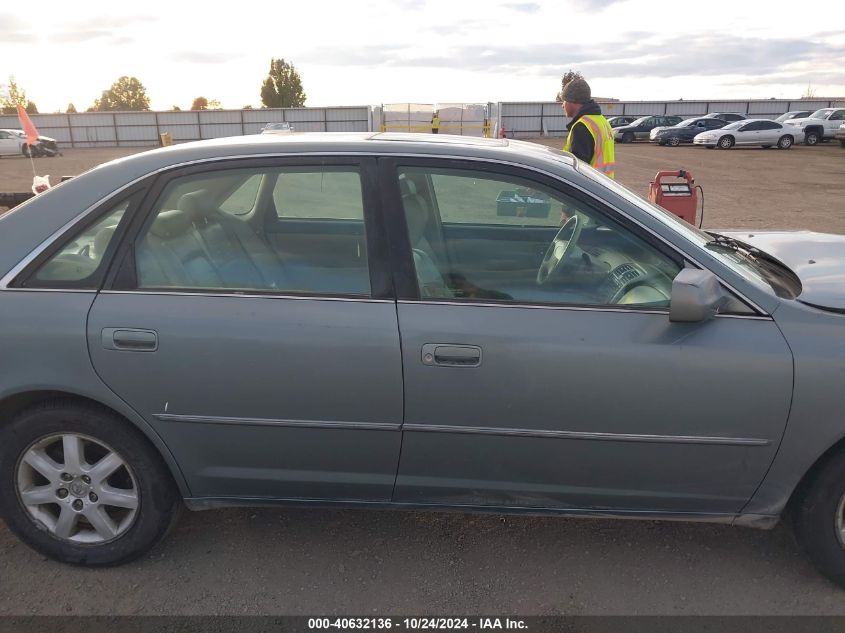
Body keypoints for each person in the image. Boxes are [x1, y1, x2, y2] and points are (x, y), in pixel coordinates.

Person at [560, 78, 616, 179]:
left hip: (592, 185)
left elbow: (577, 170)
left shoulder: (582, 127)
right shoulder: (602, 121)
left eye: (564, 100)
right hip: (605, 185)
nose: (562, 105)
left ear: (573, 101)